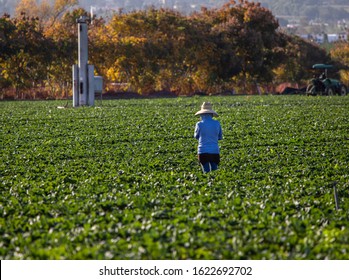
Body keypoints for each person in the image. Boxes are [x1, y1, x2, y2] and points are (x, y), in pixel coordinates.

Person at [194, 102, 223, 173]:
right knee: (215, 171)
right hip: (214, 151)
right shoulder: (217, 123)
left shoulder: (199, 124)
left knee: (206, 172)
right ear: (211, 114)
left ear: (202, 114)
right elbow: (220, 137)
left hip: (202, 151)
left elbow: (196, 136)